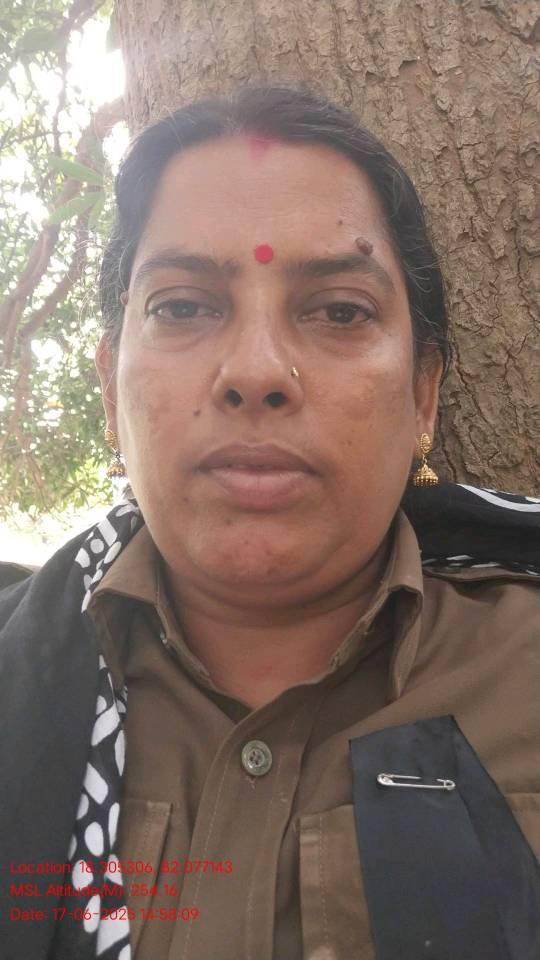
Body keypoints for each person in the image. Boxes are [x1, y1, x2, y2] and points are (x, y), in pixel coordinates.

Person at [1, 85, 539, 960]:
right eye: (182, 306)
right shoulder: (19, 670)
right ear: (108, 387)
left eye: (340, 311)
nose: (255, 372)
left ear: (424, 393)